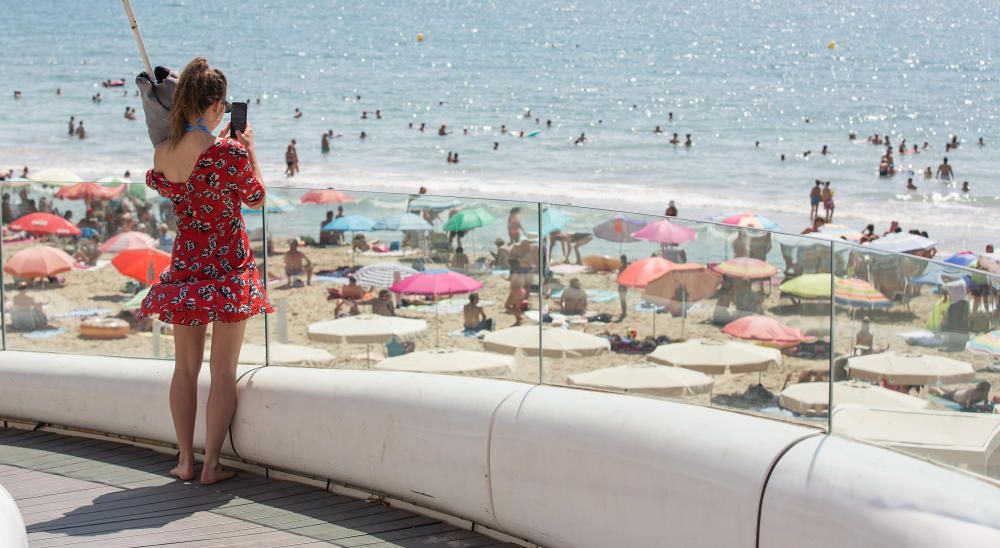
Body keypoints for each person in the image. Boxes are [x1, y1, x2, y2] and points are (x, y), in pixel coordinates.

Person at [138, 57, 272, 485]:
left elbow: (164, 183)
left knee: (185, 369)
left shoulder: (163, 153)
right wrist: (249, 149)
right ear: (214, 105)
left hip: (187, 268)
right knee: (223, 372)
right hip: (229, 269)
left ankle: (183, 460)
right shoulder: (227, 152)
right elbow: (256, 197)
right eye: (224, 105)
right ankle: (212, 464)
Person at [505, 259, 526, 326]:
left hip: (515, 291)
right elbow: (522, 282)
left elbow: (512, 281)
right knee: (515, 307)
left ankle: (519, 317)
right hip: (521, 291)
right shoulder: (520, 272)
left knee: (507, 306)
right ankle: (518, 320)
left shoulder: (514, 273)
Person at [617, 255, 629, 322]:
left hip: (621, 285)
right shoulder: (627, 267)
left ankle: (624, 313)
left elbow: (619, 276)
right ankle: (624, 312)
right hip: (625, 285)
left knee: (622, 300)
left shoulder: (622, 268)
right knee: (623, 300)